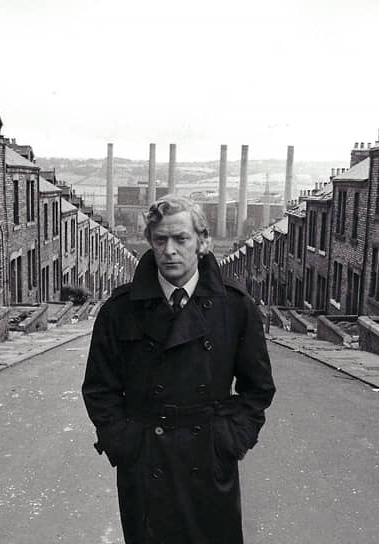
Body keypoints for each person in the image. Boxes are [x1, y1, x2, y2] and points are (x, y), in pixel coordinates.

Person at [82, 195, 276, 543]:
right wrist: (125, 444)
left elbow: (258, 388)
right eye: (160, 239)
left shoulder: (234, 307)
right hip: (146, 466)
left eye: (181, 239)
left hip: (209, 462)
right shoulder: (120, 310)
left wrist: (229, 440)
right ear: (150, 242)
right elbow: (99, 389)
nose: (169, 250)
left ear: (203, 242)